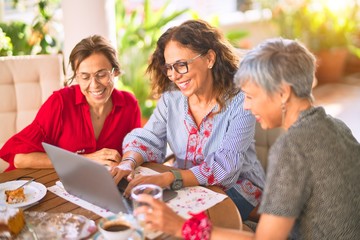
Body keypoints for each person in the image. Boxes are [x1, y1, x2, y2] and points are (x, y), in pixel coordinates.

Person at [132, 38, 360, 240]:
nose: (247, 105)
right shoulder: (337, 126)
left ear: (282, 93)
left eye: (251, 96)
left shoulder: (291, 148)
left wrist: (181, 227)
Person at [111, 19, 265, 221]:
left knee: (181, 224)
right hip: (185, 186)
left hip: (238, 187)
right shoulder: (171, 99)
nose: (174, 76)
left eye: (181, 65)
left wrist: (169, 177)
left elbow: (226, 167)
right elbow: (147, 138)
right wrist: (128, 162)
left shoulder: (240, 101)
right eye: (169, 67)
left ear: (210, 58)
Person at [0, 35, 141, 171]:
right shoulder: (60, 103)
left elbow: (136, 149)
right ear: (77, 77)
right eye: (85, 77)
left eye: (101, 74)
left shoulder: (129, 104)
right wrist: (87, 159)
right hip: (47, 186)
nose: (94, 85)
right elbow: (20, 159)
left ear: (114, 72)